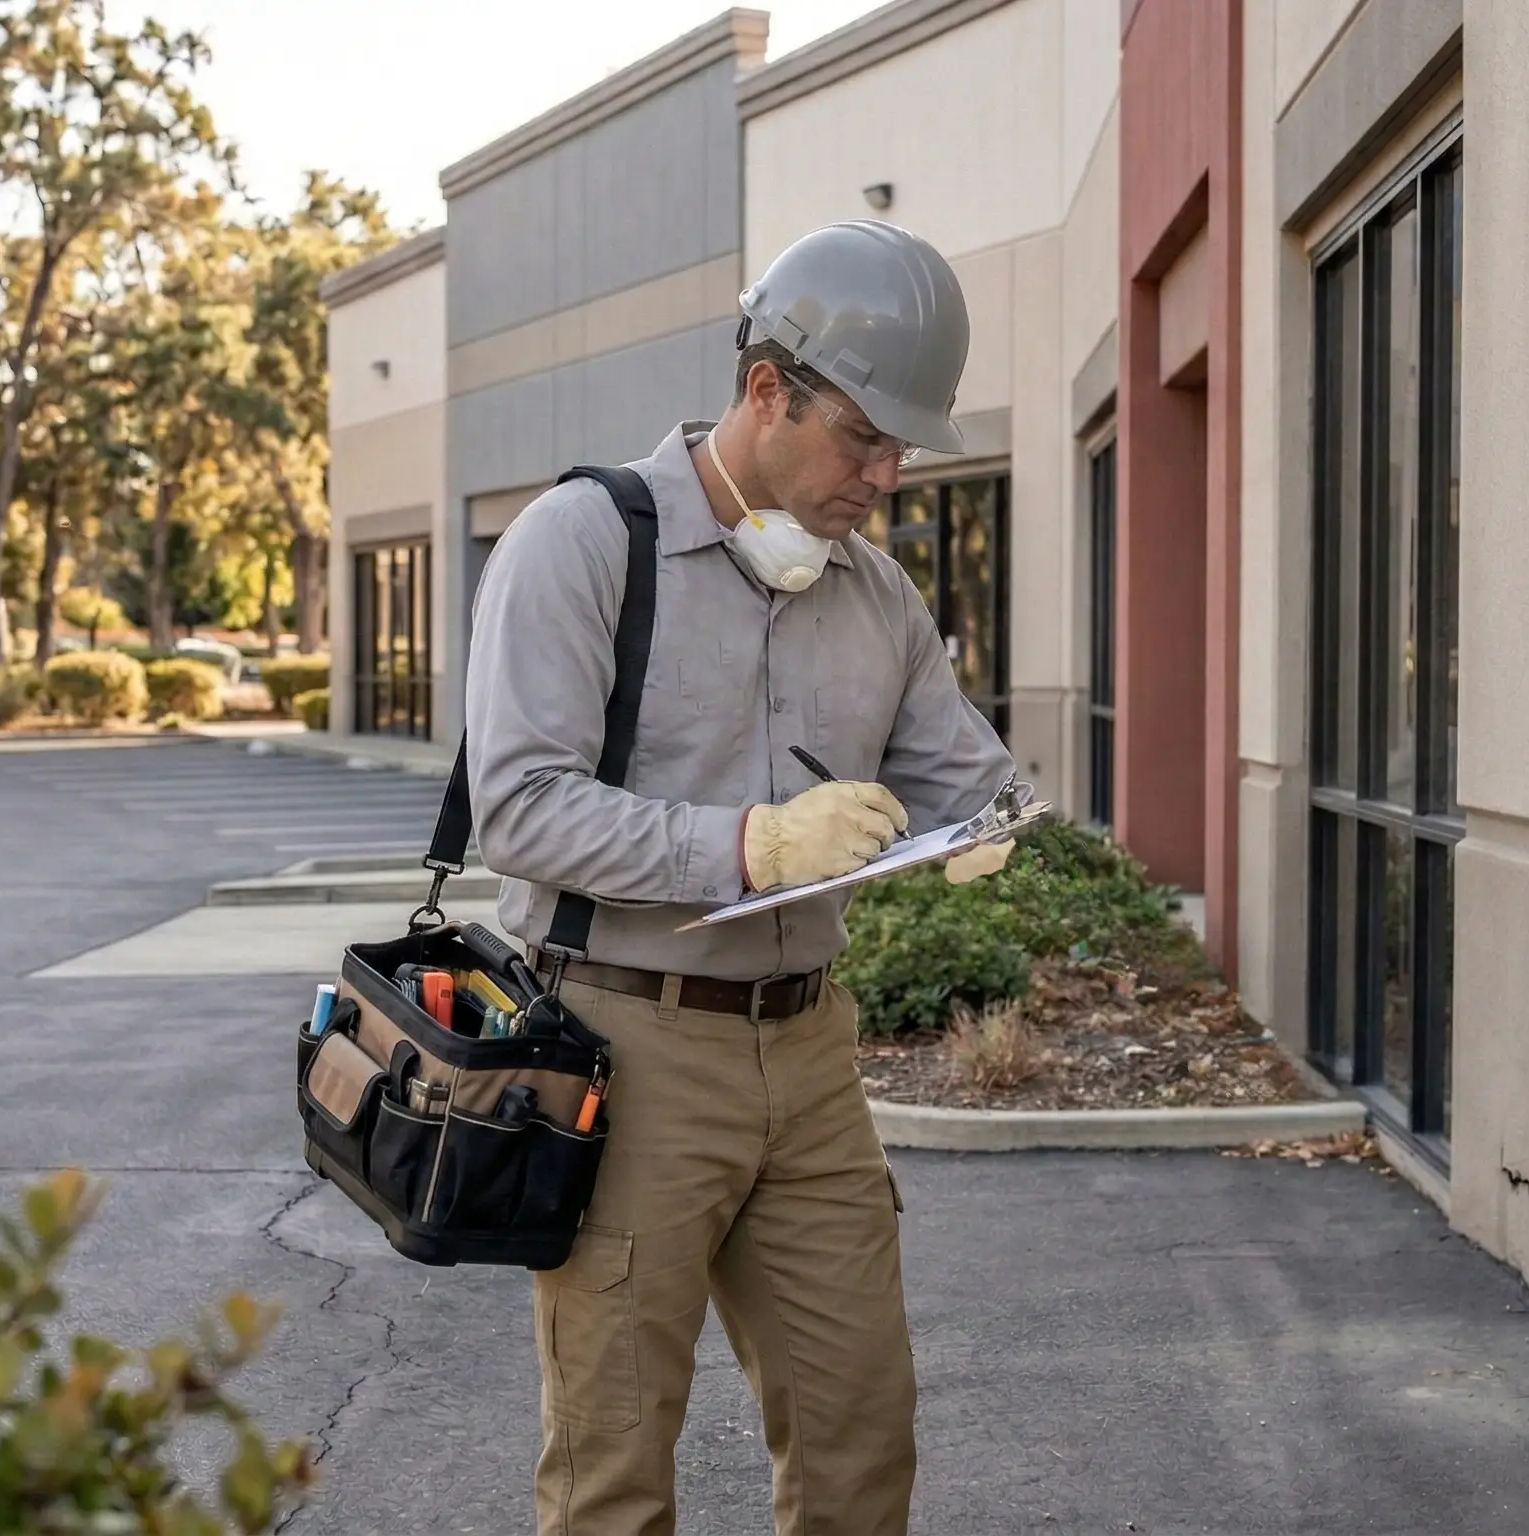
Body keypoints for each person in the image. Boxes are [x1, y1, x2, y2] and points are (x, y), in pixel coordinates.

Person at [464, 218, 1019, 1536]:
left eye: (901, 449)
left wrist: (990, 827)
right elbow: (519, 809)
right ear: (766, 389)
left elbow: (970, 776)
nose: (885, 474)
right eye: (863, 439)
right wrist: (751, 844)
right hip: (624, 1042)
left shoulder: (875, 597)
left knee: (860, 1436)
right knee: (613, 1467)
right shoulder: (586, 542)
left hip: (810, 1060)